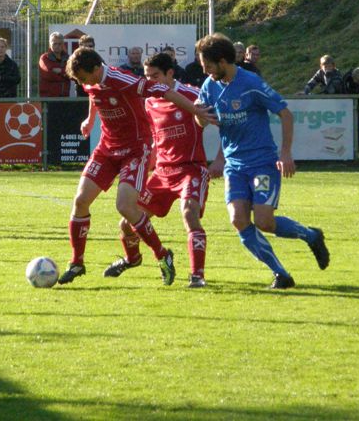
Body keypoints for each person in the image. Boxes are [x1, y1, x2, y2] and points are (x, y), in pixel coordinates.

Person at [58, 47, 217, 286]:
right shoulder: (90, 81)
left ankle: (165, 257)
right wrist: (90, 120)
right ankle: (77, 262)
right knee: (81, 201)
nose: (82, 83)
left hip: (137, 151)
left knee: (126, 207)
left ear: (96, 69)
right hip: (108, 149)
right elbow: (93, 94)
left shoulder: (122, 79)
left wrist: (196, 110)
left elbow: (163, 90)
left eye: (82, 78)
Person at [195, 33, 329, 289]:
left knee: (265, 221)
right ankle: (281, 274)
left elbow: (285, 114)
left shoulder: (251, 82)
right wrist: (200, 117)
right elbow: (202, 121)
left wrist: (285, 153)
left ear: (222, 61)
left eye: (208, 65)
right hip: (234, 166)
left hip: (262, 164)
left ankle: (311, 235)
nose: (205, 71)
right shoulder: (210, 86)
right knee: (238, 220)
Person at [104, 52, 209, 288]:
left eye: (155, 76)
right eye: (147, 76)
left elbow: (217, 123)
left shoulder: (192, 95)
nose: (150, 81)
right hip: (162, 173)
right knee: (126, 223)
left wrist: (221, 159)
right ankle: (132, 259)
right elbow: (153, 139)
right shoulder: (149, 101)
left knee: (189, 214)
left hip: (190, 169)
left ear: (170, 73)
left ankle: (197, 276)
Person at [342, 67, 359, 153]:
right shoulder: (346, 78)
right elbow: (344, 92)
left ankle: (357, 148)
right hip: (346, 103)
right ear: (353, 78)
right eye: (357, 81)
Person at [38, 32, 70, 97]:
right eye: (54, 44)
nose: (57, 46)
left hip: (65, 96)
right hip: (48, 97)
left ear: (63, 44)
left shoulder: (68, 58)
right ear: (50, 44)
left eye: (59, 44)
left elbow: (72, 74)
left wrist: (60, 71)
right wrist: (64, 73)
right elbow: (48, 75)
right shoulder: (44, 58)